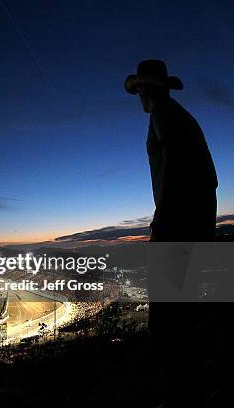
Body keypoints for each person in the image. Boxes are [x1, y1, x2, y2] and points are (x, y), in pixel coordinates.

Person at [125, 60, 219, 407]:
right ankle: (197, 386)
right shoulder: (182, 116)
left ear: (145, 90)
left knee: (167, 322)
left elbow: (176, 166)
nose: (138, 97)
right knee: (186, 316)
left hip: (177, 225)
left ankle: (183, 393)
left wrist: (162, 220)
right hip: (195, 223)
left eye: (138, 91)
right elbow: (208, 177)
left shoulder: (162, 113)